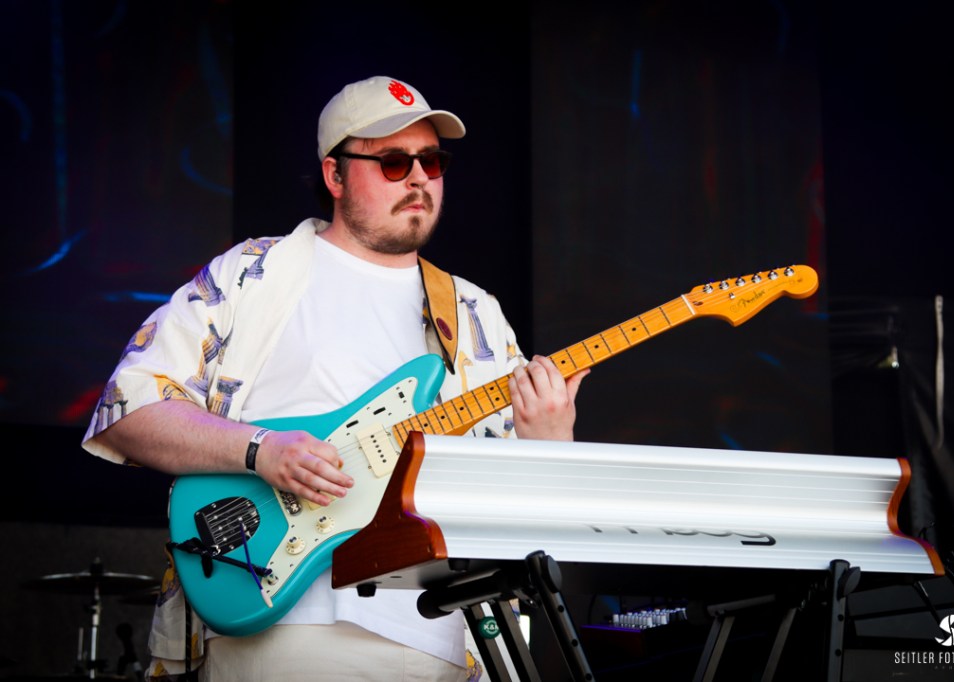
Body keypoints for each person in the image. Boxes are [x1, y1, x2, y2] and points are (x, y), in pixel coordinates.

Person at [82, 75, 588, 681]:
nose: (419, 178)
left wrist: (548, 442)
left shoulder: (474, 312)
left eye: (431, 161)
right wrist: (260, 450)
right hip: (284, 626)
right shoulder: (251, 274)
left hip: (441, 636)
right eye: (394, 162)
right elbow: (130, 407)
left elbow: (524, 523)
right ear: (335, 174)